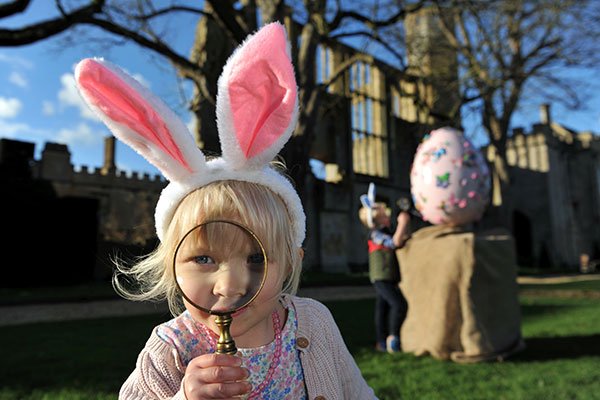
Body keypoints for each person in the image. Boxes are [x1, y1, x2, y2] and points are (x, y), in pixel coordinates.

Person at [75, 22, 377, 400]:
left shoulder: (314, 323)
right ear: (171, 264)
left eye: (257, 258)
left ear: (291, 262)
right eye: (204, 258)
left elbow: (356, 391)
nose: (231, 286)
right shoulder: (170, 351)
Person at [359, 184, 409, 353]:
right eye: (383, 216)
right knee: (398, 304)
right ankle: (393, 338)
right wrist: (403, 223)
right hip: (381, 276)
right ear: (375, 220)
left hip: (388, 275)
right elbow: (395, 243)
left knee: (382, 308)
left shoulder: (384, 231)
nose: (387, 217)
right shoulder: (376, 234)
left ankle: (381, 342)